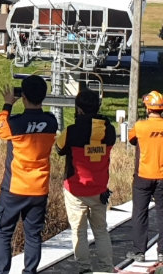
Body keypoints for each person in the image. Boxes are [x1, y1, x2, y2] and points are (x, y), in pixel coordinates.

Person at [0, 76, 58, 274]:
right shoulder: (51, 122)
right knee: (33, 235)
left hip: (14, 188)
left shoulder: (15, 124)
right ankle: (30, 271)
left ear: (24, 96)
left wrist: (8, 104)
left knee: (3, 233)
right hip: (39, 188)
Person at [55, 89, 116, 273]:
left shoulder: (72, 131)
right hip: (99, 189)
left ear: (79, 109)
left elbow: (59, 149)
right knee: (101, 231)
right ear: (98, 107)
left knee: (79, 232)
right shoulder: (109, 130)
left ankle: (84, 269)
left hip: (75, 189)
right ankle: (107, 269)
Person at [127, 91, 163, 263]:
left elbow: (131, 139)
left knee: (140, 213)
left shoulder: (140, 126)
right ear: (162, 108)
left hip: (143, 176)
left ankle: (139, 252)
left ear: (147, 108)